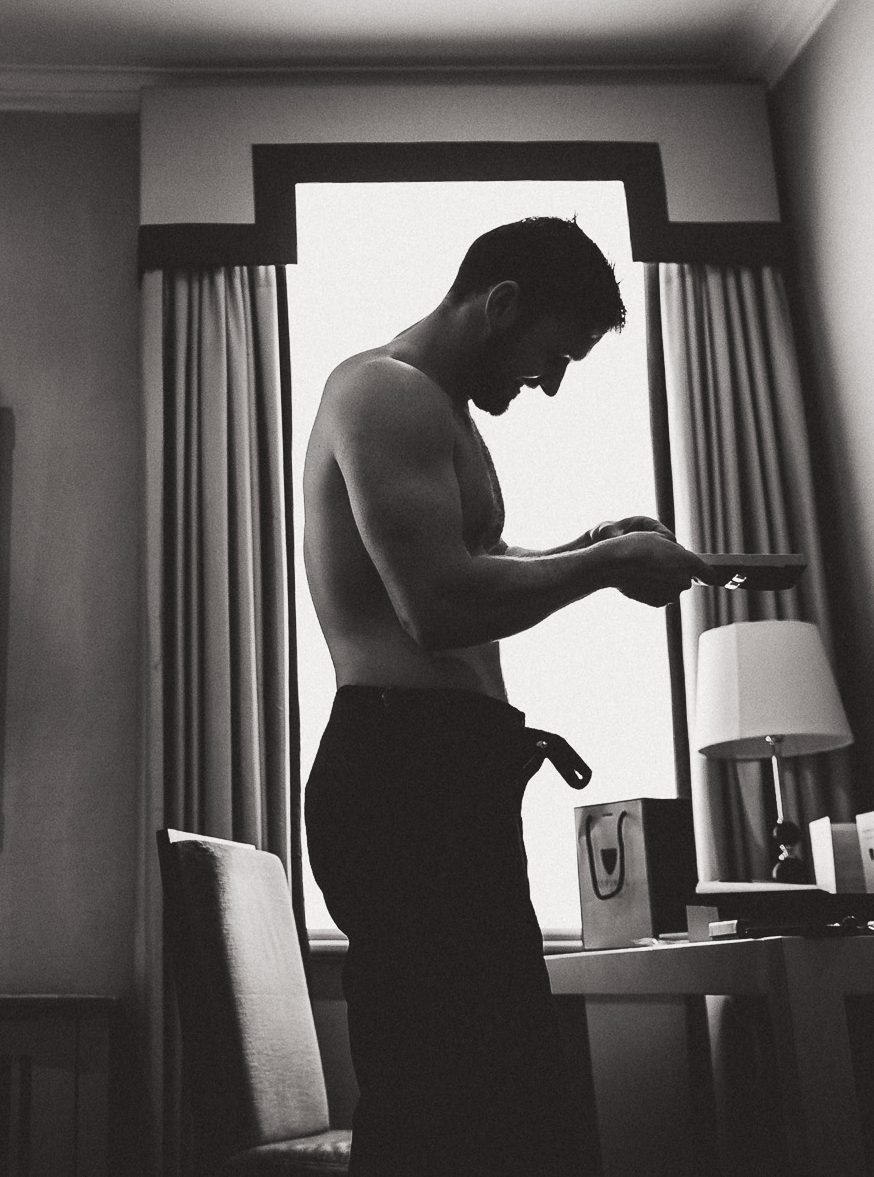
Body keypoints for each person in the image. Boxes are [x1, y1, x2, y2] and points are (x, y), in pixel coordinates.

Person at [300, 217, 717, 1176]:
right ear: (500, 304)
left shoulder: (435, 409)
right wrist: (607, 565)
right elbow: (438, 605)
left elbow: (466, 562)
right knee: (438, 1097)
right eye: (553, 353)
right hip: (404, 775)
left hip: (439, 776)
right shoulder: (386, 390)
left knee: (496, 1087)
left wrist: (590, 543)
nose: (553, 381)